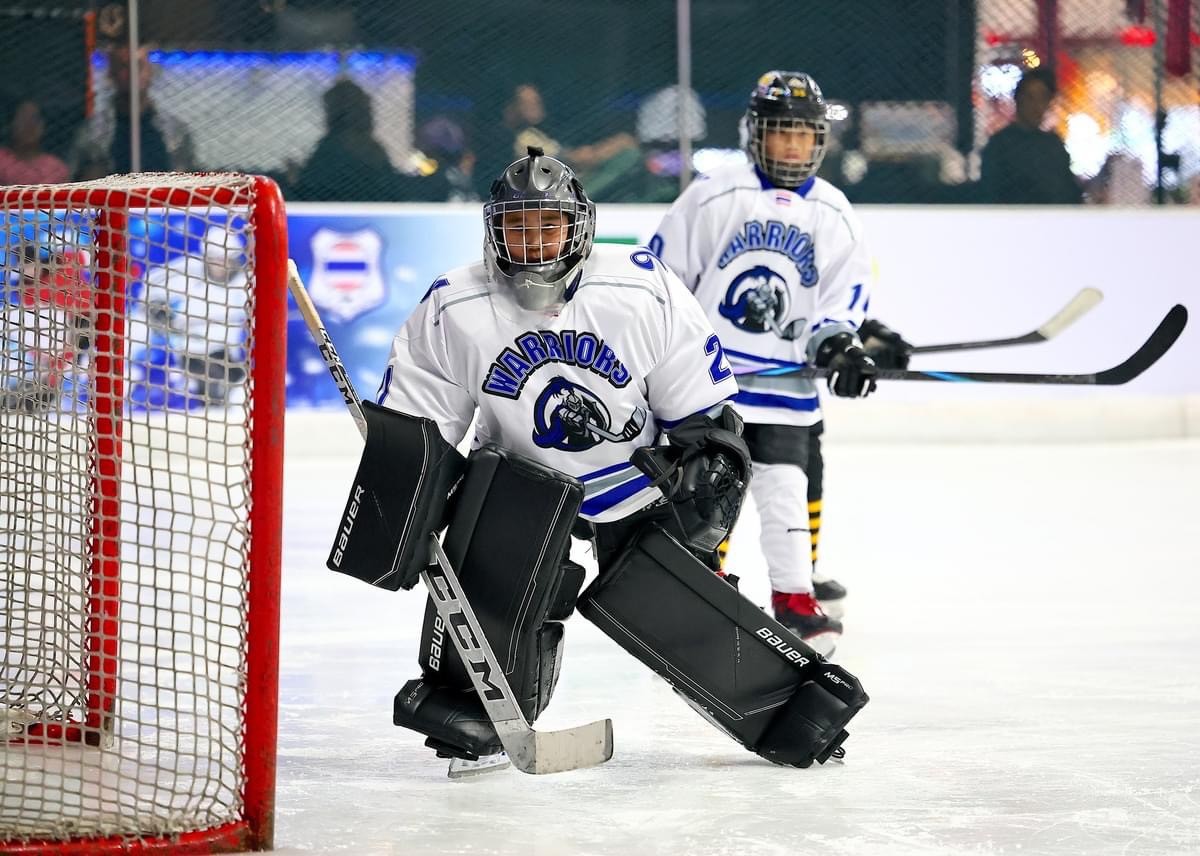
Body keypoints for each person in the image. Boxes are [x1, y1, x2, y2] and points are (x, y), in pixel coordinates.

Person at [349, 146, 867, 773]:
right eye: (517, 225)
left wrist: (707, 476)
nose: (534, 242)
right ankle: (478, 702)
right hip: (522, 481)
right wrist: (406, 492)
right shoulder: (455, 306)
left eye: (549, 225)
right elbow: (419, 425)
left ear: (580, 227)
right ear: (493, 228)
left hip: (637, 481)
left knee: (669, 600)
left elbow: (705, 415)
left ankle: (790, 709)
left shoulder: (637, 288)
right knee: (489, 566)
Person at [650, 71, 912, 656]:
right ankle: (701, 589)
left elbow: (836, 306)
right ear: (755, 135)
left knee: (787, 489)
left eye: (803, 134)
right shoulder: (714, 194)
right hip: (712, 383)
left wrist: (841, 349)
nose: (793, 147)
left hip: (787, 387)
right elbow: (663, 285)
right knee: (708, 489)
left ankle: (793, 599)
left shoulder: (835, 212)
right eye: (781, 133)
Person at [140, 224, 248, 406]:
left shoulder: (246, 282)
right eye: (215, 259)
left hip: (228, 354)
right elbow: (149, 287)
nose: (220, 265)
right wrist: (161, 314)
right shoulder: (188, 271)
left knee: (234, 391)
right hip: (190, 350)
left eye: (225, 259)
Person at [67, 45, 194, 179]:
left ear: (150, 72)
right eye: (124, 66)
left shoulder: (174, 131)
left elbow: (186, 176)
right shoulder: (94, 133)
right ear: (111, 74)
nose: (132, 73)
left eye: (138, 66)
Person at [500, 84, 642, 200]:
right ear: (510, 107)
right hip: (553, 196)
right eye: (526, 103)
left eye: (536, 101)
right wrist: (619, 143)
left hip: (566, 185)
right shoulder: (521, 138)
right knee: (628, 156)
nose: (535, 106)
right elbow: (576, 159)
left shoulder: (536, 133)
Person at [979, 67, 1083, 204]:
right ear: (1018, 100)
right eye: (1030, 97)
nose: (1036, 105)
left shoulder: (1053, 145)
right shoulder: (1000, 145)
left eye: (1043, 98)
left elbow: (1068, 192)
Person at [0, 100, 70, 186]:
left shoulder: (56, 168)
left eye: (35, 119)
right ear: (11, 123)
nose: (29, 125)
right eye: (23, 118)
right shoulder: (2, 159)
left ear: (43, 125)